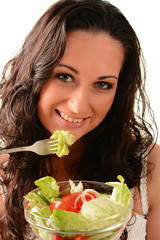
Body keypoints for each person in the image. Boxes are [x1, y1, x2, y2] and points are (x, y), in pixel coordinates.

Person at [0, 0, 160, 239]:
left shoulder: (152, 167)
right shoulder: (5, 166)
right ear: (34, 72)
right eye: (64, 76)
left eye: (103, 84)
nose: (78, 105)